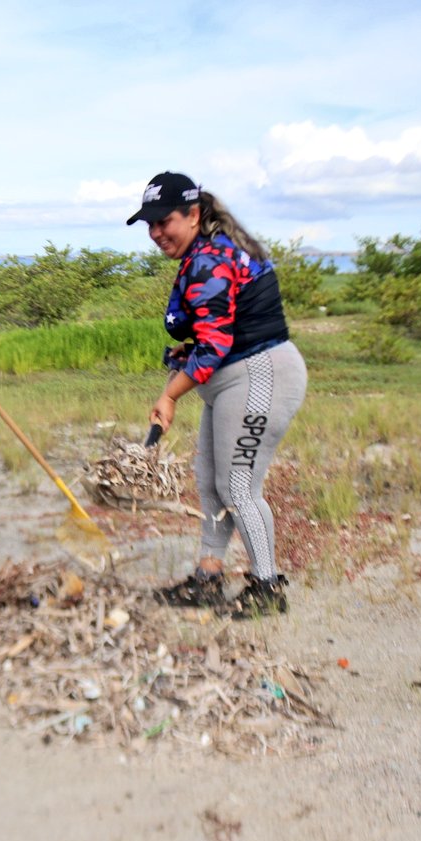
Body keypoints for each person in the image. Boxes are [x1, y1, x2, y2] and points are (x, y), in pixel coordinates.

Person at [126, 172, 307, 616]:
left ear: (192, 214)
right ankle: (208, 578)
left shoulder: (208, 259)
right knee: (210, 482)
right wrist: (183, 362)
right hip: (231, 379)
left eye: (163, 221)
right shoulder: (202, 256)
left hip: (259, 374)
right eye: (148, 225)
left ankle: (268, 588)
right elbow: (218, 332)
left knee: (239, 486)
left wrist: (169, 396)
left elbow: (217, 344)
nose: (155, 233)